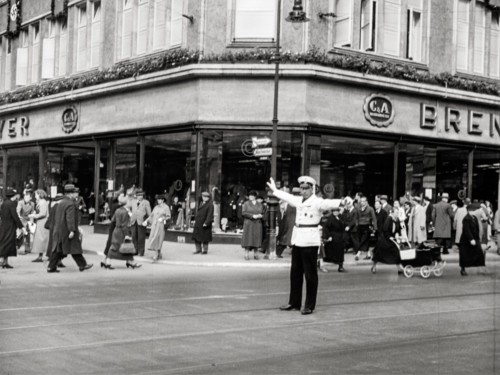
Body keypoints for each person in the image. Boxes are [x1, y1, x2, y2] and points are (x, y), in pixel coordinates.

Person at [268, 176, 342, 315]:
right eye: (301, 188)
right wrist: (275, 190)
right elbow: (288, 197)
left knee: (310, 274)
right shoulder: (299, 200)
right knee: (295, 273)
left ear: (312, 189)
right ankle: (294, 302)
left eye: (306, 189)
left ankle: (309, 305)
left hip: (310, 240)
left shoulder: (317, 202)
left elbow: (328, 203)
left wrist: (343, 202)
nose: (303, 191)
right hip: (298, 239)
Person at [47, 184, 93, 273]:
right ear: (71, 194)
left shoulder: (61, 202)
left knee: (59, 249)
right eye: (75, 193)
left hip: (60, 229)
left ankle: (51, 267)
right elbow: (70, 218)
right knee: (74, 247)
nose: (77, 195)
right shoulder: (70, 204)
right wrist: (72, 230)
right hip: (67, 230)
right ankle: (82, 265)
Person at [104, 193, 141, 269]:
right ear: (127, 203)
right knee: (125, 247)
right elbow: (124, 225)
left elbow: (113, 219)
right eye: (130, 202)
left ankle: (109, 263)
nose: (131, 203)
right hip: (122, 232)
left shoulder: (118, 210)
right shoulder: (125, 212)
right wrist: (127, 234)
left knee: (116, 247)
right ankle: (130, 262)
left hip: (116, 231)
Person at [371, 208, 404, 274]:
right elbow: (385, 229)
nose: (397, 214)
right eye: (396, 213)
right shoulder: (389, 219)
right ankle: (374, 266)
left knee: (396, 253)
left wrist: (399, 234)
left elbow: (398, 228)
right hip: (385, 239)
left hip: (392, 239)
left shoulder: (397, 219)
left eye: (398, 213)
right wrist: (389, 237)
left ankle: (399, 268)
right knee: (379, 254)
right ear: (392, 213)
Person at [0, 189, 25, 268]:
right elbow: (15, 216)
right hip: (10, 226)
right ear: (13, 196)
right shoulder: (11, 204)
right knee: (8, 243)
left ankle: (4, 261)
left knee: (4, 242)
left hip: (4, 225)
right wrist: (21, 226)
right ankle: (4, 262)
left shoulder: (4, 203)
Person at [459, 203, 486, 276]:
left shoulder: (474, 218)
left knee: (478, 253)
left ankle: (481, 267)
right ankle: (463, 269)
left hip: (474, 239)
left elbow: (476, 229)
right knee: (464, 256)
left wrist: (477, 238)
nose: (475, 211)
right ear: (470, 211)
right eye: (474, 210)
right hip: (466, 240)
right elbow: (466, 230)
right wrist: (471, 239)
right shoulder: (466, 219)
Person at [145, 194, 171, 261]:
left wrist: (163, 218)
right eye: (158, 199)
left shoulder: (166, 207)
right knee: (154, 238)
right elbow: (151, 215)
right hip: (154, 225)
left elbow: (169, 216)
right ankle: (158, 253)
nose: (158, 201)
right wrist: (146, 221)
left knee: (158, 238)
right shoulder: (156, 207)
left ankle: (156, 253)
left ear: (163, 200)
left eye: (160, 199)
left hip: (161, 225)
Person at [241, 191, 264, 260]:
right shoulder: (246, 203)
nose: (250, 197)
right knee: (248, 238)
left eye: (252, 195)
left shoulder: (259, 204)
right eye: (250, 195)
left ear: (255, 197)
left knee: (256, 239)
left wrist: (260, 215)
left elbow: (262, 212)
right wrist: (252, 216)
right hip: (249, 223)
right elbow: (243, 213)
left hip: (257, 223)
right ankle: (246, 253)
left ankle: (256, 253)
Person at [321, 207, 346, 272]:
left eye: (337, 211)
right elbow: (326, 228)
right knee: (332, 252)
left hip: (340, 237)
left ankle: (340, 266)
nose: (336, 212)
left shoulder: (340, 217)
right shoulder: (330, 218)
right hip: (333, 237)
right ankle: (320, 264)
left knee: (340, 252)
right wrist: (328, 236)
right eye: (335, 211)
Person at [129, 188, 151, 257]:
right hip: (133, 221)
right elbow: (128, 208)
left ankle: (141, 252)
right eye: (138, 195)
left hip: (141, 221)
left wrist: (147, 221)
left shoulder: (146, 202)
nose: (140, 196)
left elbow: (150, 214)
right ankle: (135, 250)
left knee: (141, 237)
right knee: (133, 236)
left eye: (141, 195)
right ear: (136, 196)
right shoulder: (132, 201)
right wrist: (129, 214)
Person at [29, 189, 50, 263]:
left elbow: (43, 213)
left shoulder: (43, 202)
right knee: (42, 239)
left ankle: (42, 256)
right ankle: (43, 255)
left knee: (42, 239)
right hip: (41, 222)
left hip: (43, 222)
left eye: (36, 194)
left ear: (39, 194)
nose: (35, 196)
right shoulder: (41, 202)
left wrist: (34, 216)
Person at [276, 188, 298, 258]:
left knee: (285, 238)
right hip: (295, 222)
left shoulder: (287, 202)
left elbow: (282, 211)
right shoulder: (300, 201)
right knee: (294, 238)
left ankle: (278, 252)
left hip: (287, 222)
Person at [354, 195, 377, 261]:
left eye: (363, 201)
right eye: (361, 201)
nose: (362, 203)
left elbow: (374, 218)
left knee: (364, 240)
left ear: (366, 202)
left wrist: (375, 228)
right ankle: (369, 254)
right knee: (363, 240)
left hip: (367, 226)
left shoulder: (370, 209)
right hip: (360, 226)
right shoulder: (358, 209)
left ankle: (358, 253)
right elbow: (356, 218)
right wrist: (357, 224)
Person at [16, 190, 35, 254]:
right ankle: (17, 246)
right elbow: (18, 210)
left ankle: (27, 249)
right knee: (21, 235)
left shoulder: (32, 204)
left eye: (27, 197)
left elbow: (32, 212)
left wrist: (31, 222)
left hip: (28, 220)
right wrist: (18, 216)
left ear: (30, 198)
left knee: (28, 235)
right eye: (25, 197)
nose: (26, 199)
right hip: (21, 219)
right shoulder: (20, 202)